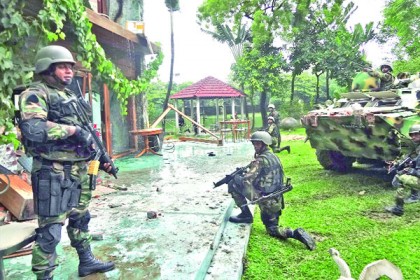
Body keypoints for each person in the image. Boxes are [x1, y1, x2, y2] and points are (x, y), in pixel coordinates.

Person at [18, 45, 115, 279]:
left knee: (81, 217)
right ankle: (44, 276)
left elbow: (86, 130)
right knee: (51, 229)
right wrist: (71, 131)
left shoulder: (71, 96)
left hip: (79, 169)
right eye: (62, 66)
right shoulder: (35, 93)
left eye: (70, 67)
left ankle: (87, 261)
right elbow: (33, 128)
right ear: (47, 68)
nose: (69, 71)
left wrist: (102, 158)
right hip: (52, 171)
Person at [227, 131, 315, 250]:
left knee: (233, 183)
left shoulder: (260, 161)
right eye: (254, 144)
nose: (255, 146)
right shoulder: (274, 156)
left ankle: (292, 233)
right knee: (272, 226)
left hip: (265, 199)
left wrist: (238, 177)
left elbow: (246, 180)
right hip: (276, 198)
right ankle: (292, 232)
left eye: (258, 144)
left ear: (264, 144)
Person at [385, 123, 420, 216]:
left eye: (416, 134)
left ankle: (398, 209)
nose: (413, 137)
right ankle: (415, 196)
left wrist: (410, 171)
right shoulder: (417, 148)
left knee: (400, 178)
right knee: (403, 174)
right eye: (412, 135)